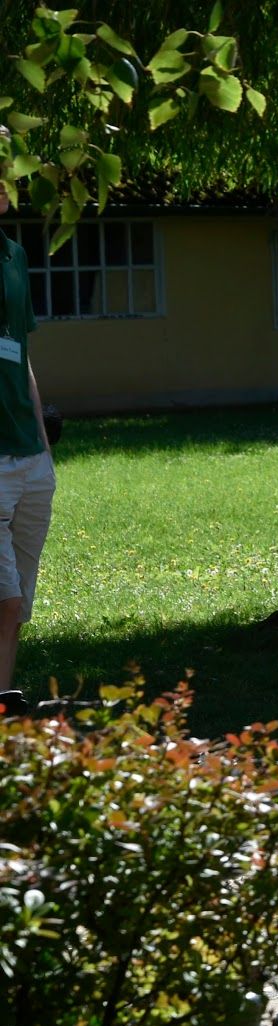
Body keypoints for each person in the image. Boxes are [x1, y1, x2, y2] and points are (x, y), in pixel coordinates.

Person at [0, 123, 56, 712]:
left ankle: (3, 703)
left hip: (31, 457)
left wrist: (43, 442)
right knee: (4, 598)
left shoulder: (14, 255)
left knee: (18, 604)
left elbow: (22, 352)